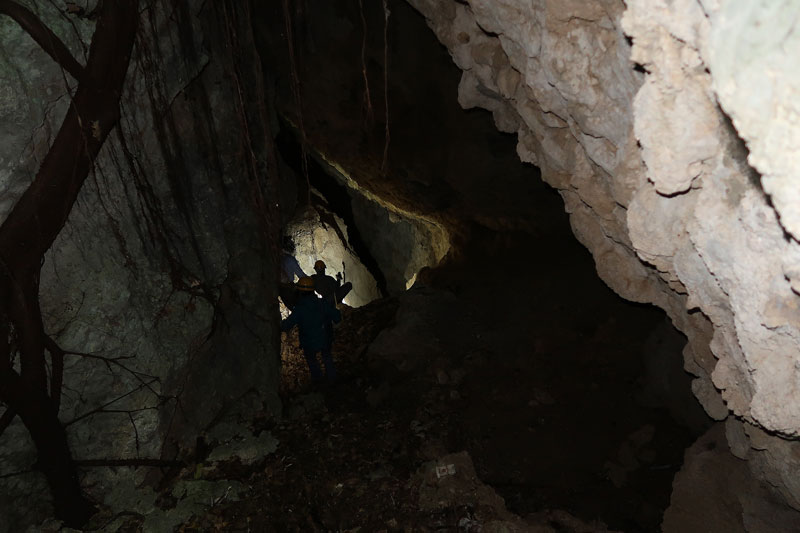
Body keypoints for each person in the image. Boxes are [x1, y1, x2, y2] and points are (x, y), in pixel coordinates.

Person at [280, 276, 341, 383]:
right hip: (324, 338)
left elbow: (286, 325)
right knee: (327, 356)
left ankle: (318, 382)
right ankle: (332, 380)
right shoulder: (322, 303)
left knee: (312, 360)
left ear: (300, 292)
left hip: (309, 342)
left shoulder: (299, 309)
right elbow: (337, 316)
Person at [279, 237, 307, 310]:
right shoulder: (290, 259)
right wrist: (310, 279)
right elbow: (301, 275)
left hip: (281, 289)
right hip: (288, 288)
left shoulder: (279, 258)